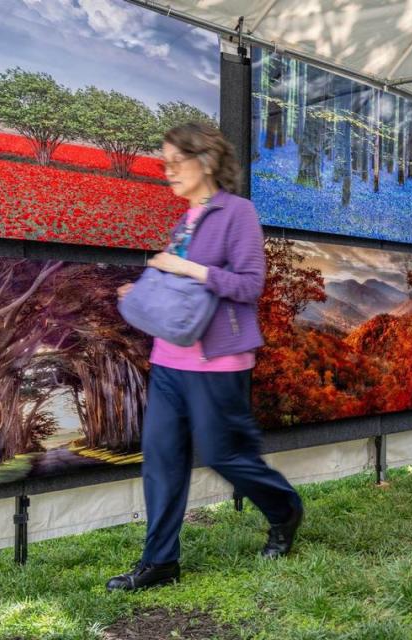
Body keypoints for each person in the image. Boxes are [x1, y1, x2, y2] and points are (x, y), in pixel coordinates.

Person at [107, 122, 303, 592]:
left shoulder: (238, 212)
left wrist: (185, 267)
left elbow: (249, 285)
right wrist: (147, 289)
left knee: (223, 454)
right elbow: (183, 291)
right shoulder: (186, 217)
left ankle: (284, 510)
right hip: (169, 361)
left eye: (176, 162)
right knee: (161, 458)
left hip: (217, 362)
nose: (168, 171)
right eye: (165, 162)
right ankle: (159, 562)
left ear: (207, 161)